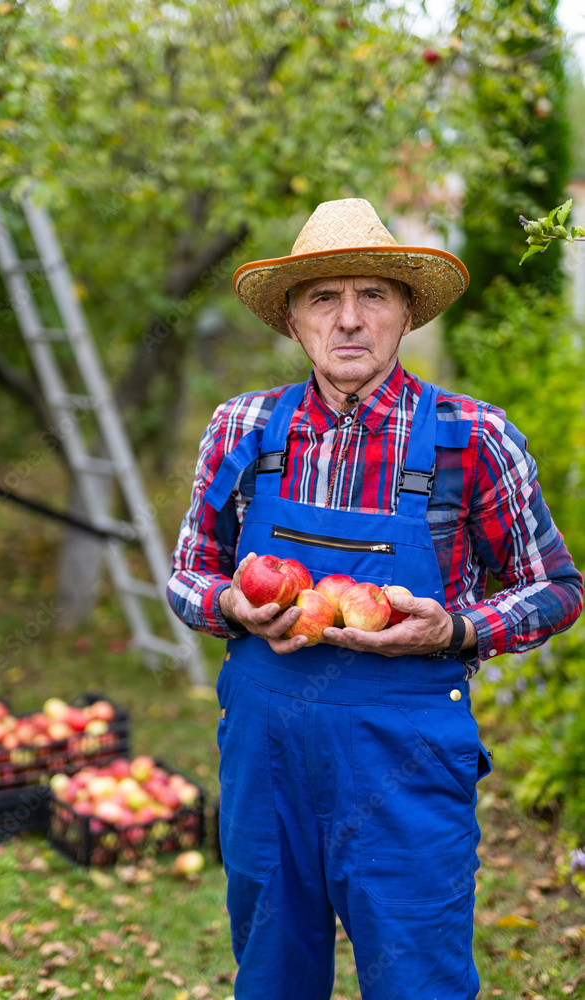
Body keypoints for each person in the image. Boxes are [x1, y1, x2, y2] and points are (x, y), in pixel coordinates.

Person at [167, 198, 583, 1000]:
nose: (348, 320)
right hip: (266, 759)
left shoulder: (471, 438)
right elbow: (189, 572)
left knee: (416, 976)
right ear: (292, 320)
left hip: (404, 765)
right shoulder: (242, 430)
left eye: (373, 297)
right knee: (271, 974)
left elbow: (557, 589)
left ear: (404, 315)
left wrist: (456, 629)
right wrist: (230, 607)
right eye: (323, 297)